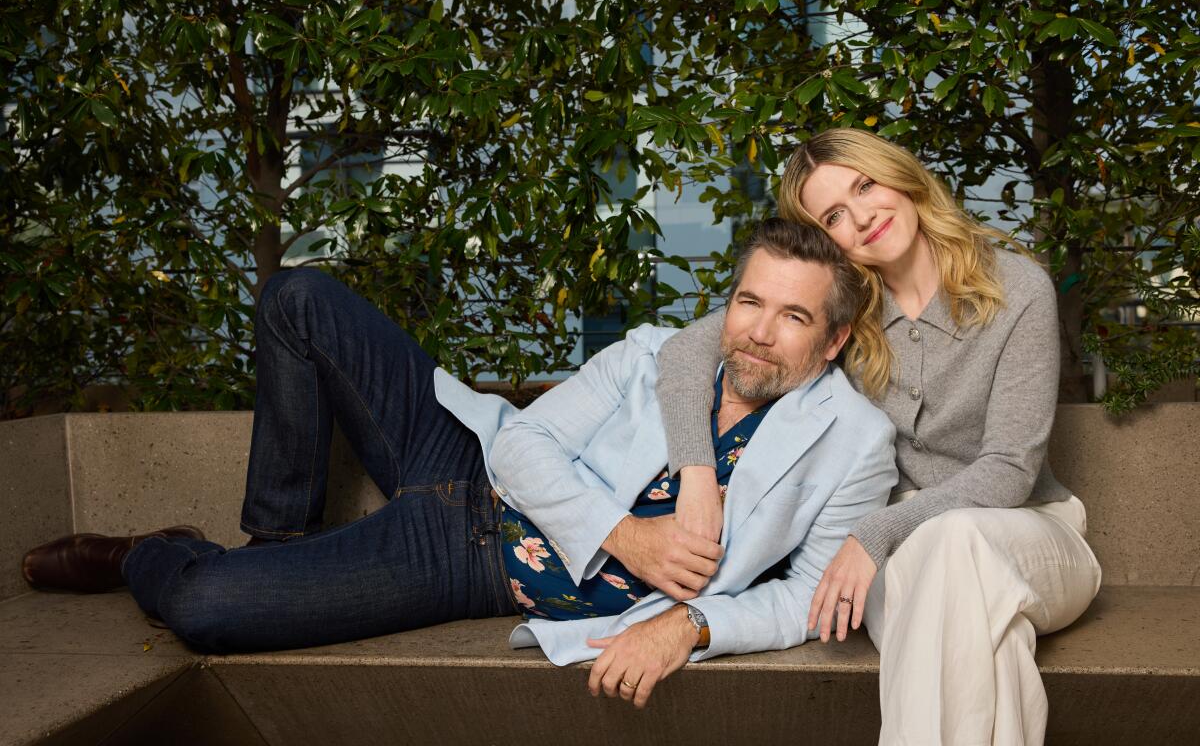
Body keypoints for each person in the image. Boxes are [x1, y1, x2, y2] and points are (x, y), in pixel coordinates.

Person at [23, 218, 898, 709]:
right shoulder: (656, 355)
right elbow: (522, 440)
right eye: (750, 301)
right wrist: (624, 537)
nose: (757, 329)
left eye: (792, 316)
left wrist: (689, 625)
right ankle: (276, 542)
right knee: (297, 297)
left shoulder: (854, 443)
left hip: (474, 561)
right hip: (473, 462)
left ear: (835, 340)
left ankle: (146, 551)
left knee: (201, 604)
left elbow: (802, 595)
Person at [654, 128, 1102, 743]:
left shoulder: (1016, 287)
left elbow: (1010, 470)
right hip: (905, 557)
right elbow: (684, 350)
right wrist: (696, 474)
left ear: (899, 176)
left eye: (865, 185)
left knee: (957, 539)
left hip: (1028, 533)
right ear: (824, 239)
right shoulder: (836, 316)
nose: (862, 217)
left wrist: (874, 533)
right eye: (834, 214)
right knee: (989, 643)